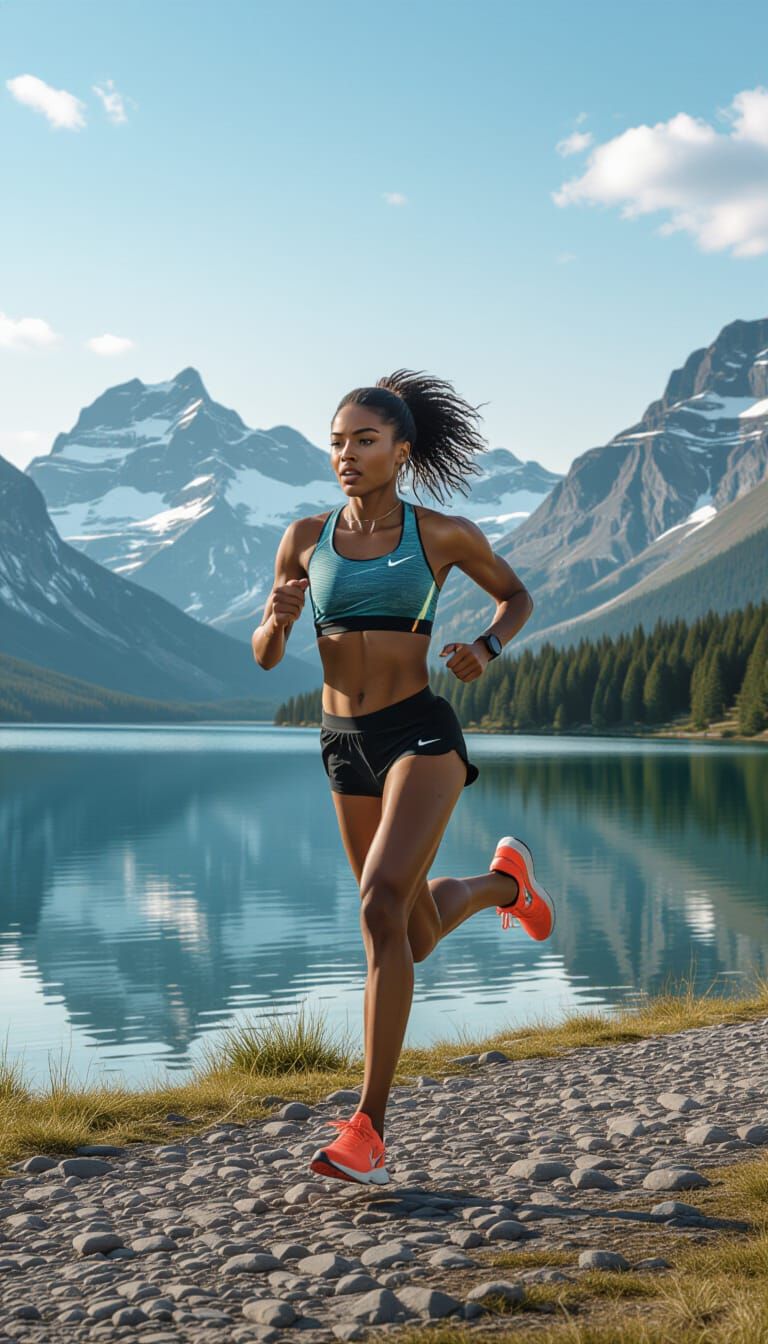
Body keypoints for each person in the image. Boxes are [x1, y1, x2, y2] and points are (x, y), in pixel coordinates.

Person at [251, 369, 555, 1186]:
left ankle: (368, 1128)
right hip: (343, 741)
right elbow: (267, 653)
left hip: (421, 733)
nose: (346, 455)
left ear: (401, 452)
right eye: (337, 443)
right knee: (411, 930)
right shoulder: (305, 538)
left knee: (378, 904)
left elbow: (516, 596)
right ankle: (504, 886)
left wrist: (484, 650)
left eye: (364, 441)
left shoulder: (441, 534)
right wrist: (275, 621)